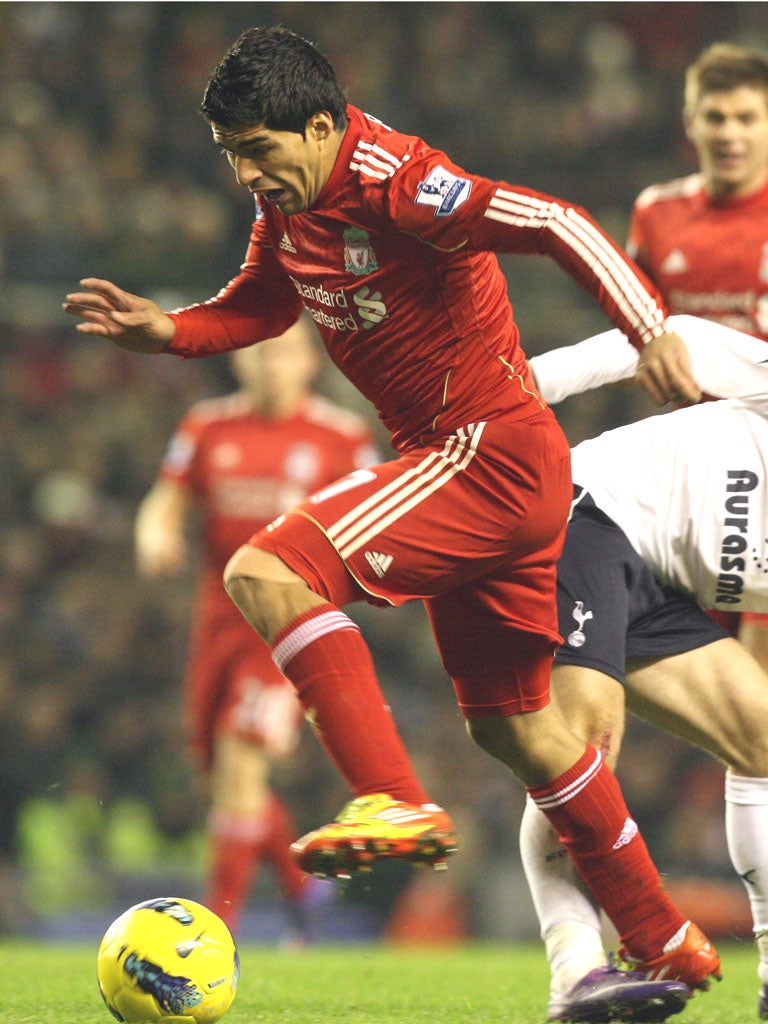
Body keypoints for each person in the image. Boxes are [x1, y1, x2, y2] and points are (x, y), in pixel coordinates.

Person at [63, 25, 714, 1020]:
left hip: (481, 450)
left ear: (320, 128)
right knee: (521, 732)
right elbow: (261, 304)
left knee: (267, 572)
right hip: (482, 466)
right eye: (231, 154)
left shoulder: (399, 181)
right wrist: (172, 330)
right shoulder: (290, 207)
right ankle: (664, 939)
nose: (247, 174)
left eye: (263, 152)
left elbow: (558, 220)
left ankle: (392, 794)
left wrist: (649, 325)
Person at [526, 314, 768, 1020]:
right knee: (581, 750)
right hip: (588, 511)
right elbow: (662, 336)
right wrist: (523, 389)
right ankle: (575, 969)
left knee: (761, 739)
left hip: (656, 585)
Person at [134, 315, 378, 937]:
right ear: (240, 361)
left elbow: (372, 520)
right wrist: (156, 532)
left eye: (285, 354)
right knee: (222, 777)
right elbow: (167, 496)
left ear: (309, 363)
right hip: (216, 624)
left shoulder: (341, 438)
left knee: (242, 764)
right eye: (260, 354)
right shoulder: (207, 425)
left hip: (287, 628)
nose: (271, 365)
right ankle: (301, 891)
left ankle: (214, 933)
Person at [626, 41, 768, 671]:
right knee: (677, 662)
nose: (729, 133)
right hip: (688, 474)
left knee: (756, 669)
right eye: (715, 117)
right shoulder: (656, 214)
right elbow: (636, 332)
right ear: (690, 123)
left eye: (746, 117)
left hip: (764, 467)